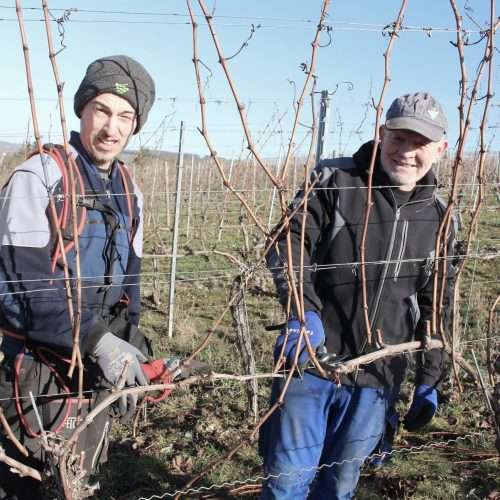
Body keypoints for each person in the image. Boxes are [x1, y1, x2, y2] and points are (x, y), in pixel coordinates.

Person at [260, 92, 456, 499]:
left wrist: (430, 378)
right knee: (287, 481)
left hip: (376, 378)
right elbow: (288, 242)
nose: (406, 152)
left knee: (339, 485)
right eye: (399, 138)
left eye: (420, 143)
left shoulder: (439, 218)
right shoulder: (334, 180)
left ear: (440, 149)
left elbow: (437, 304)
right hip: (310, 362)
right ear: (382, 134)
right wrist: (303, 315)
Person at [0, 55, 155, 498]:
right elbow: (17, 287)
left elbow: (131, 287)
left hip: (93, 368)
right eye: (102, 110)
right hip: (35, 373)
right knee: (26, 483)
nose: (112, 128)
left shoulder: (129, 190)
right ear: (82, 109)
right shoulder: (41, 176)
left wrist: (131, 345)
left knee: (81, 480)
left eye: (126, 116)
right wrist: (98, 341)